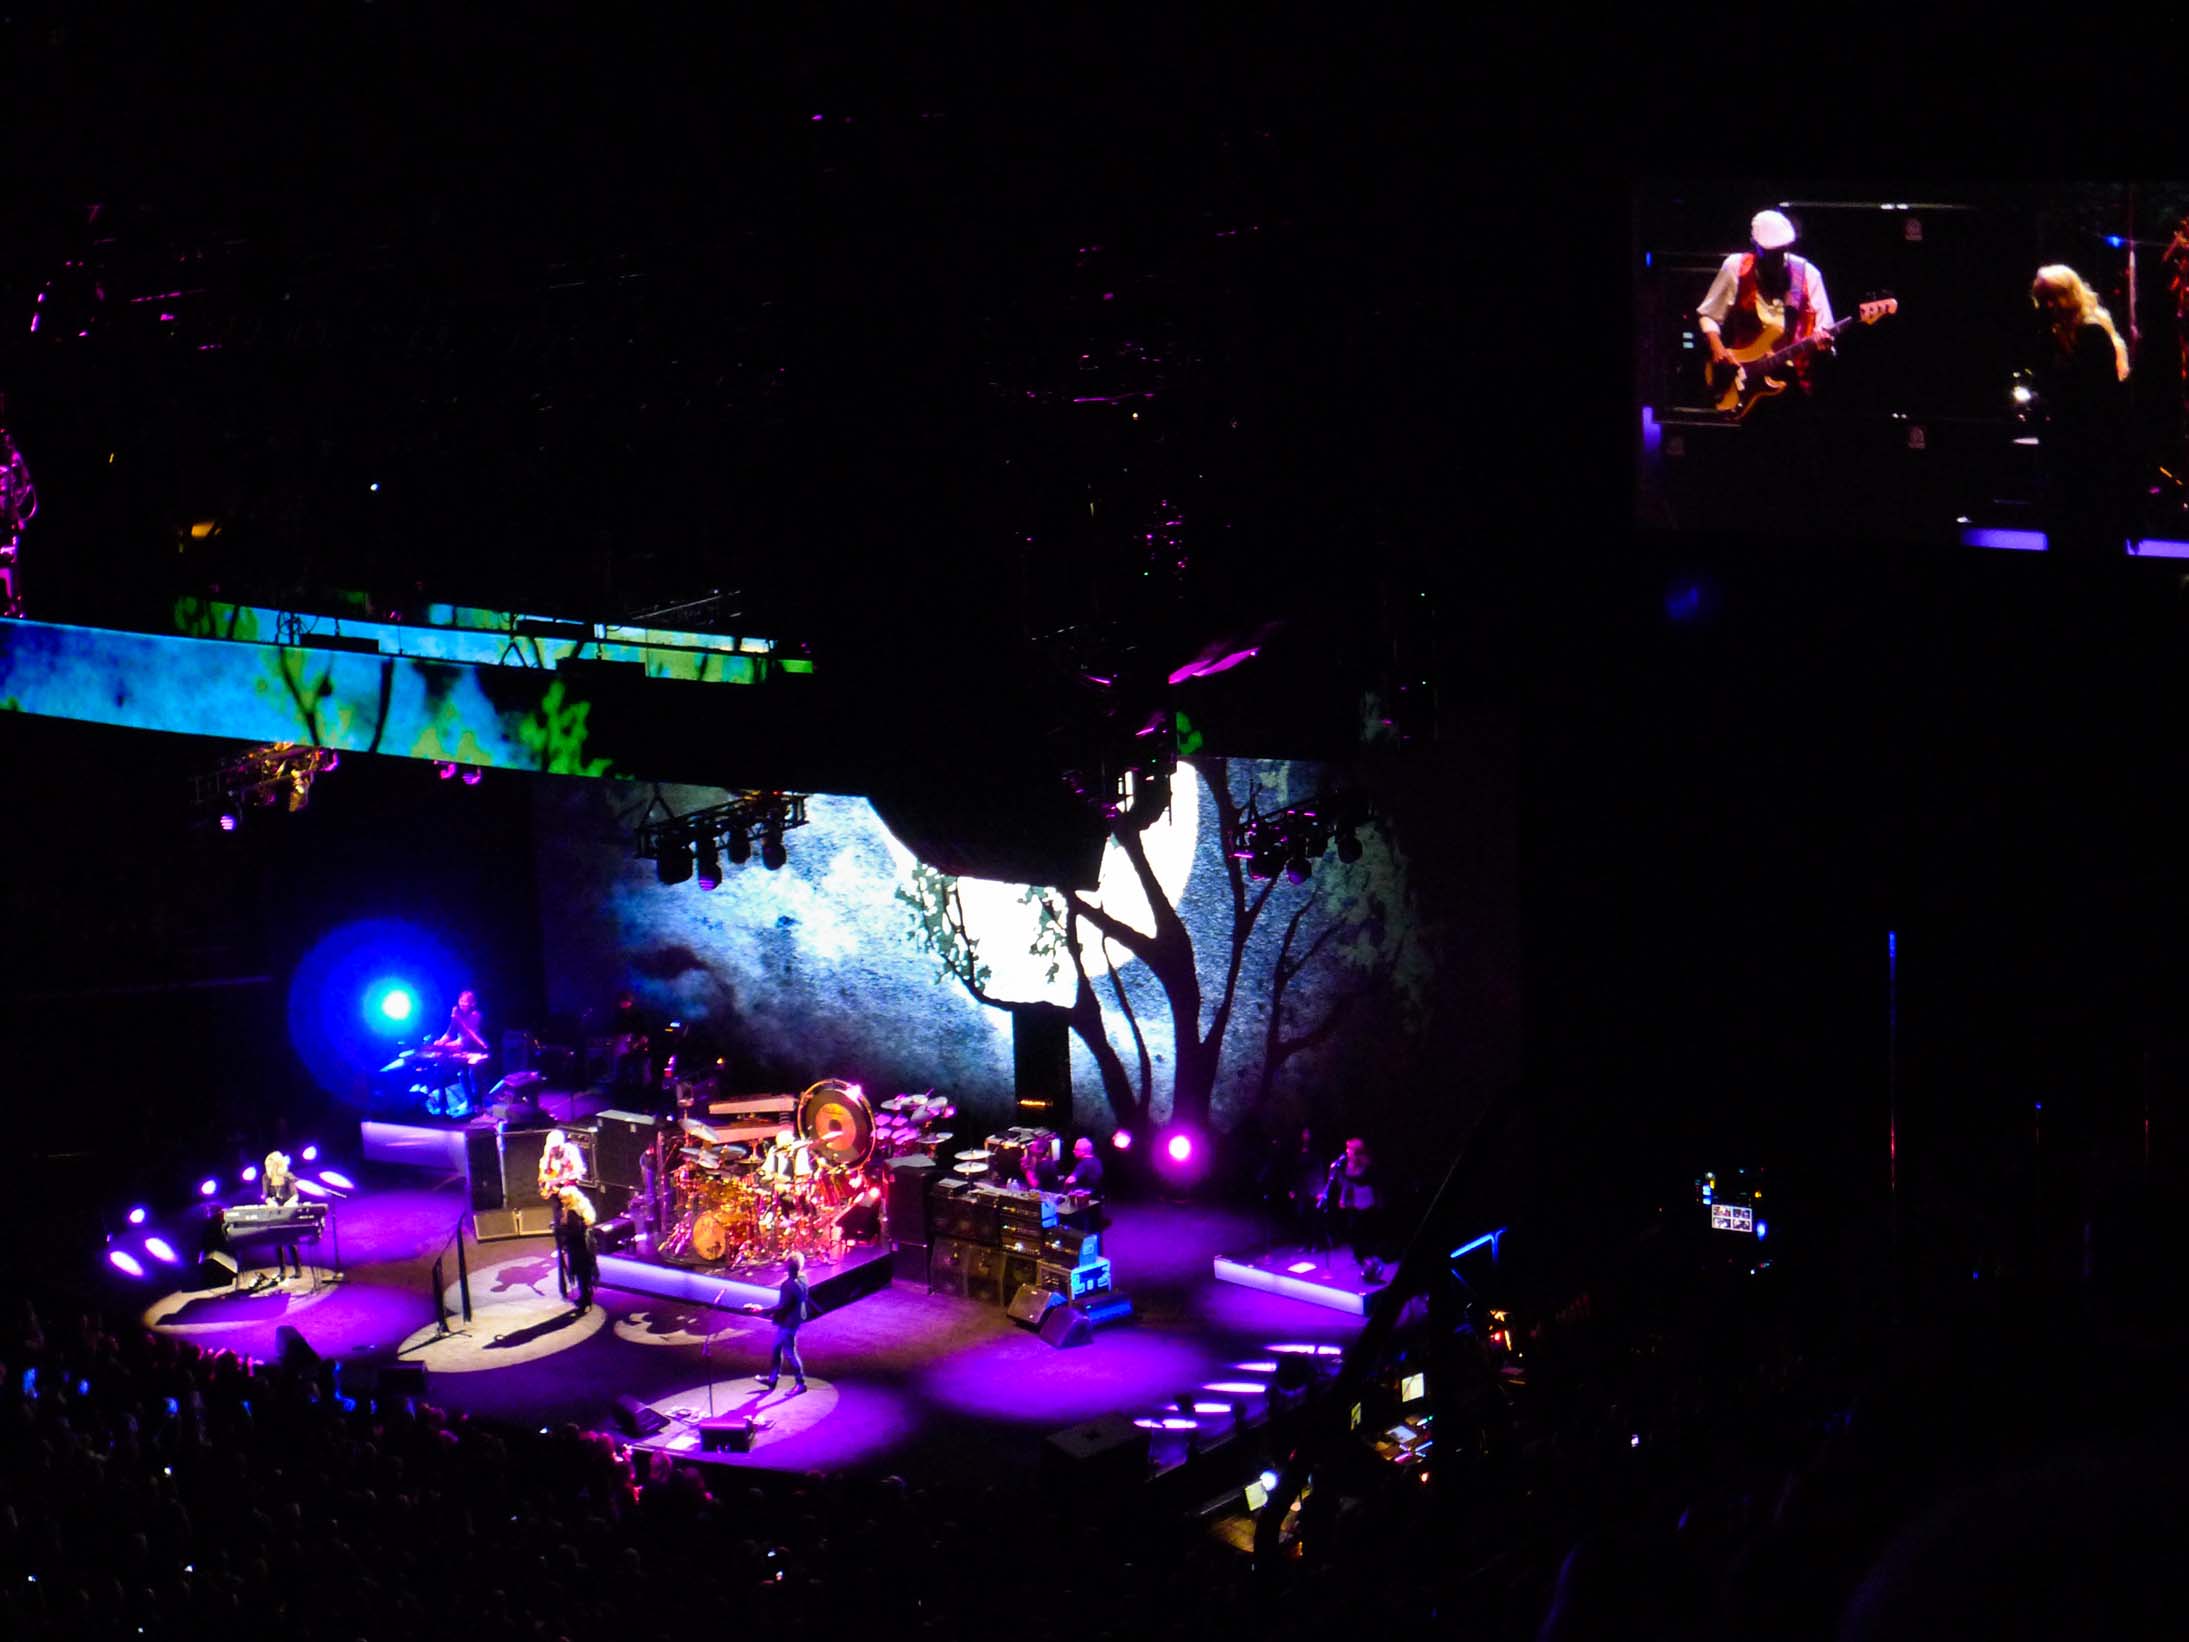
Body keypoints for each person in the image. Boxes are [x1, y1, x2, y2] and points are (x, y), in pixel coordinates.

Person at [1694, 209, 1839, 525]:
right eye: (1770, 253)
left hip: (1794, 393)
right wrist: (1718, 349)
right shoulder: (1736, 267)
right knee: (1748, 482)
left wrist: (1824, 346)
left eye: (1782, 252)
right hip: (1745, 390)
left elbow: (1825, 333)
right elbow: (1708, 315)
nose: (1777, 260)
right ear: (1755, 246)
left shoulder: (1808, 275)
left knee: (1795, 480)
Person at [2029, 264, 2134, 561]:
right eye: (2043, 300)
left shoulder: (2090, 334)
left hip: (2090, 459)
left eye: (2052, 298)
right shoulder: (2060, 335)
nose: (2047, 307)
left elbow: (2098, 400)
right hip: (2072, 456)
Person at [745, 1249, 814, 1392]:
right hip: (795, 1319)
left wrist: (762, 1310)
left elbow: (782, 1306)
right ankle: (772, 1379)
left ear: (788, 1266)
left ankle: (800, 1383)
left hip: (788, 1323)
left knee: (790, 1352)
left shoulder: (787, 1285)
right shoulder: (803, 1279)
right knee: (776, 1349)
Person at [1320, 1138, 1383, 1281]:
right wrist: (1335, 1172)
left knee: (1364, 1232)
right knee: (1353, 1231)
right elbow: (1344, 1182)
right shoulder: (1346, 1164)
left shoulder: (1367, 1165)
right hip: (1352, 1201)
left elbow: (1364, 1180)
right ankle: (1363, 1260)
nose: (1347, 1151)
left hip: (1365, 1201)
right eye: (1347, 1149)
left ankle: (1369, 1262)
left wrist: (1345, 1179)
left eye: (1349, 1149)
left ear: (1357, 1152)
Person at [538, 1128, 587, 1296]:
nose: (554, 1150)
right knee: (560, 1232)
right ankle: (565, 1275)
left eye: (556, 1147)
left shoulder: (571, 1152)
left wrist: (558, 1181)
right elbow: (543, 1177)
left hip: (571, 1196)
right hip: (557, 1198)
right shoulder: (547, 1157)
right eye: (552, 1148)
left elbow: (579, 1172)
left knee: (575, 1234)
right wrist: (547, 1184)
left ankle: (581, 1278)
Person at [430, 989, 489, 1113]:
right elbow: (450, 1032)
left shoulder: (476, 1015)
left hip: (477, 1050)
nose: (462, 1004)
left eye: (465, 1002)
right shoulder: (458, 1016)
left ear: (472, 1004)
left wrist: (452, 1043)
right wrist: (441, 1042)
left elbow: (468, 1037)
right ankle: (469, 1101)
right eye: (461, 1001)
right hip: (463, 1051)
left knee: (473, 1074)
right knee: (461, 1074)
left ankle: (478, 1104)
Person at [261, 1150, 307, 1282]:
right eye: (268, 1165)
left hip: (288, 1211)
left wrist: (289, 1203)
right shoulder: (265, 1178)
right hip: (274, 1211)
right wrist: (270, 1202)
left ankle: (298, 1269)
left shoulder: (288, 1177)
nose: (270, 1168)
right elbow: (266, 1195)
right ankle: (282, 1270)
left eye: (272, 1165)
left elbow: (295, 1195)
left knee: (291, 1241)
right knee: (277, 1241)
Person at [556, 1185, 600, 1315]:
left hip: (578, 1248)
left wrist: (559, 1230)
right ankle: (586, 1299)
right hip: (587, 1246)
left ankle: (584, 1302)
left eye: (564, 1199)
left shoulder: (572, 1212)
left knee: (582, 1275)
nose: (562, 1201)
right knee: (586, 1274)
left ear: (570, 1198)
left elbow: (575, 1233)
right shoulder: (583, 1206)